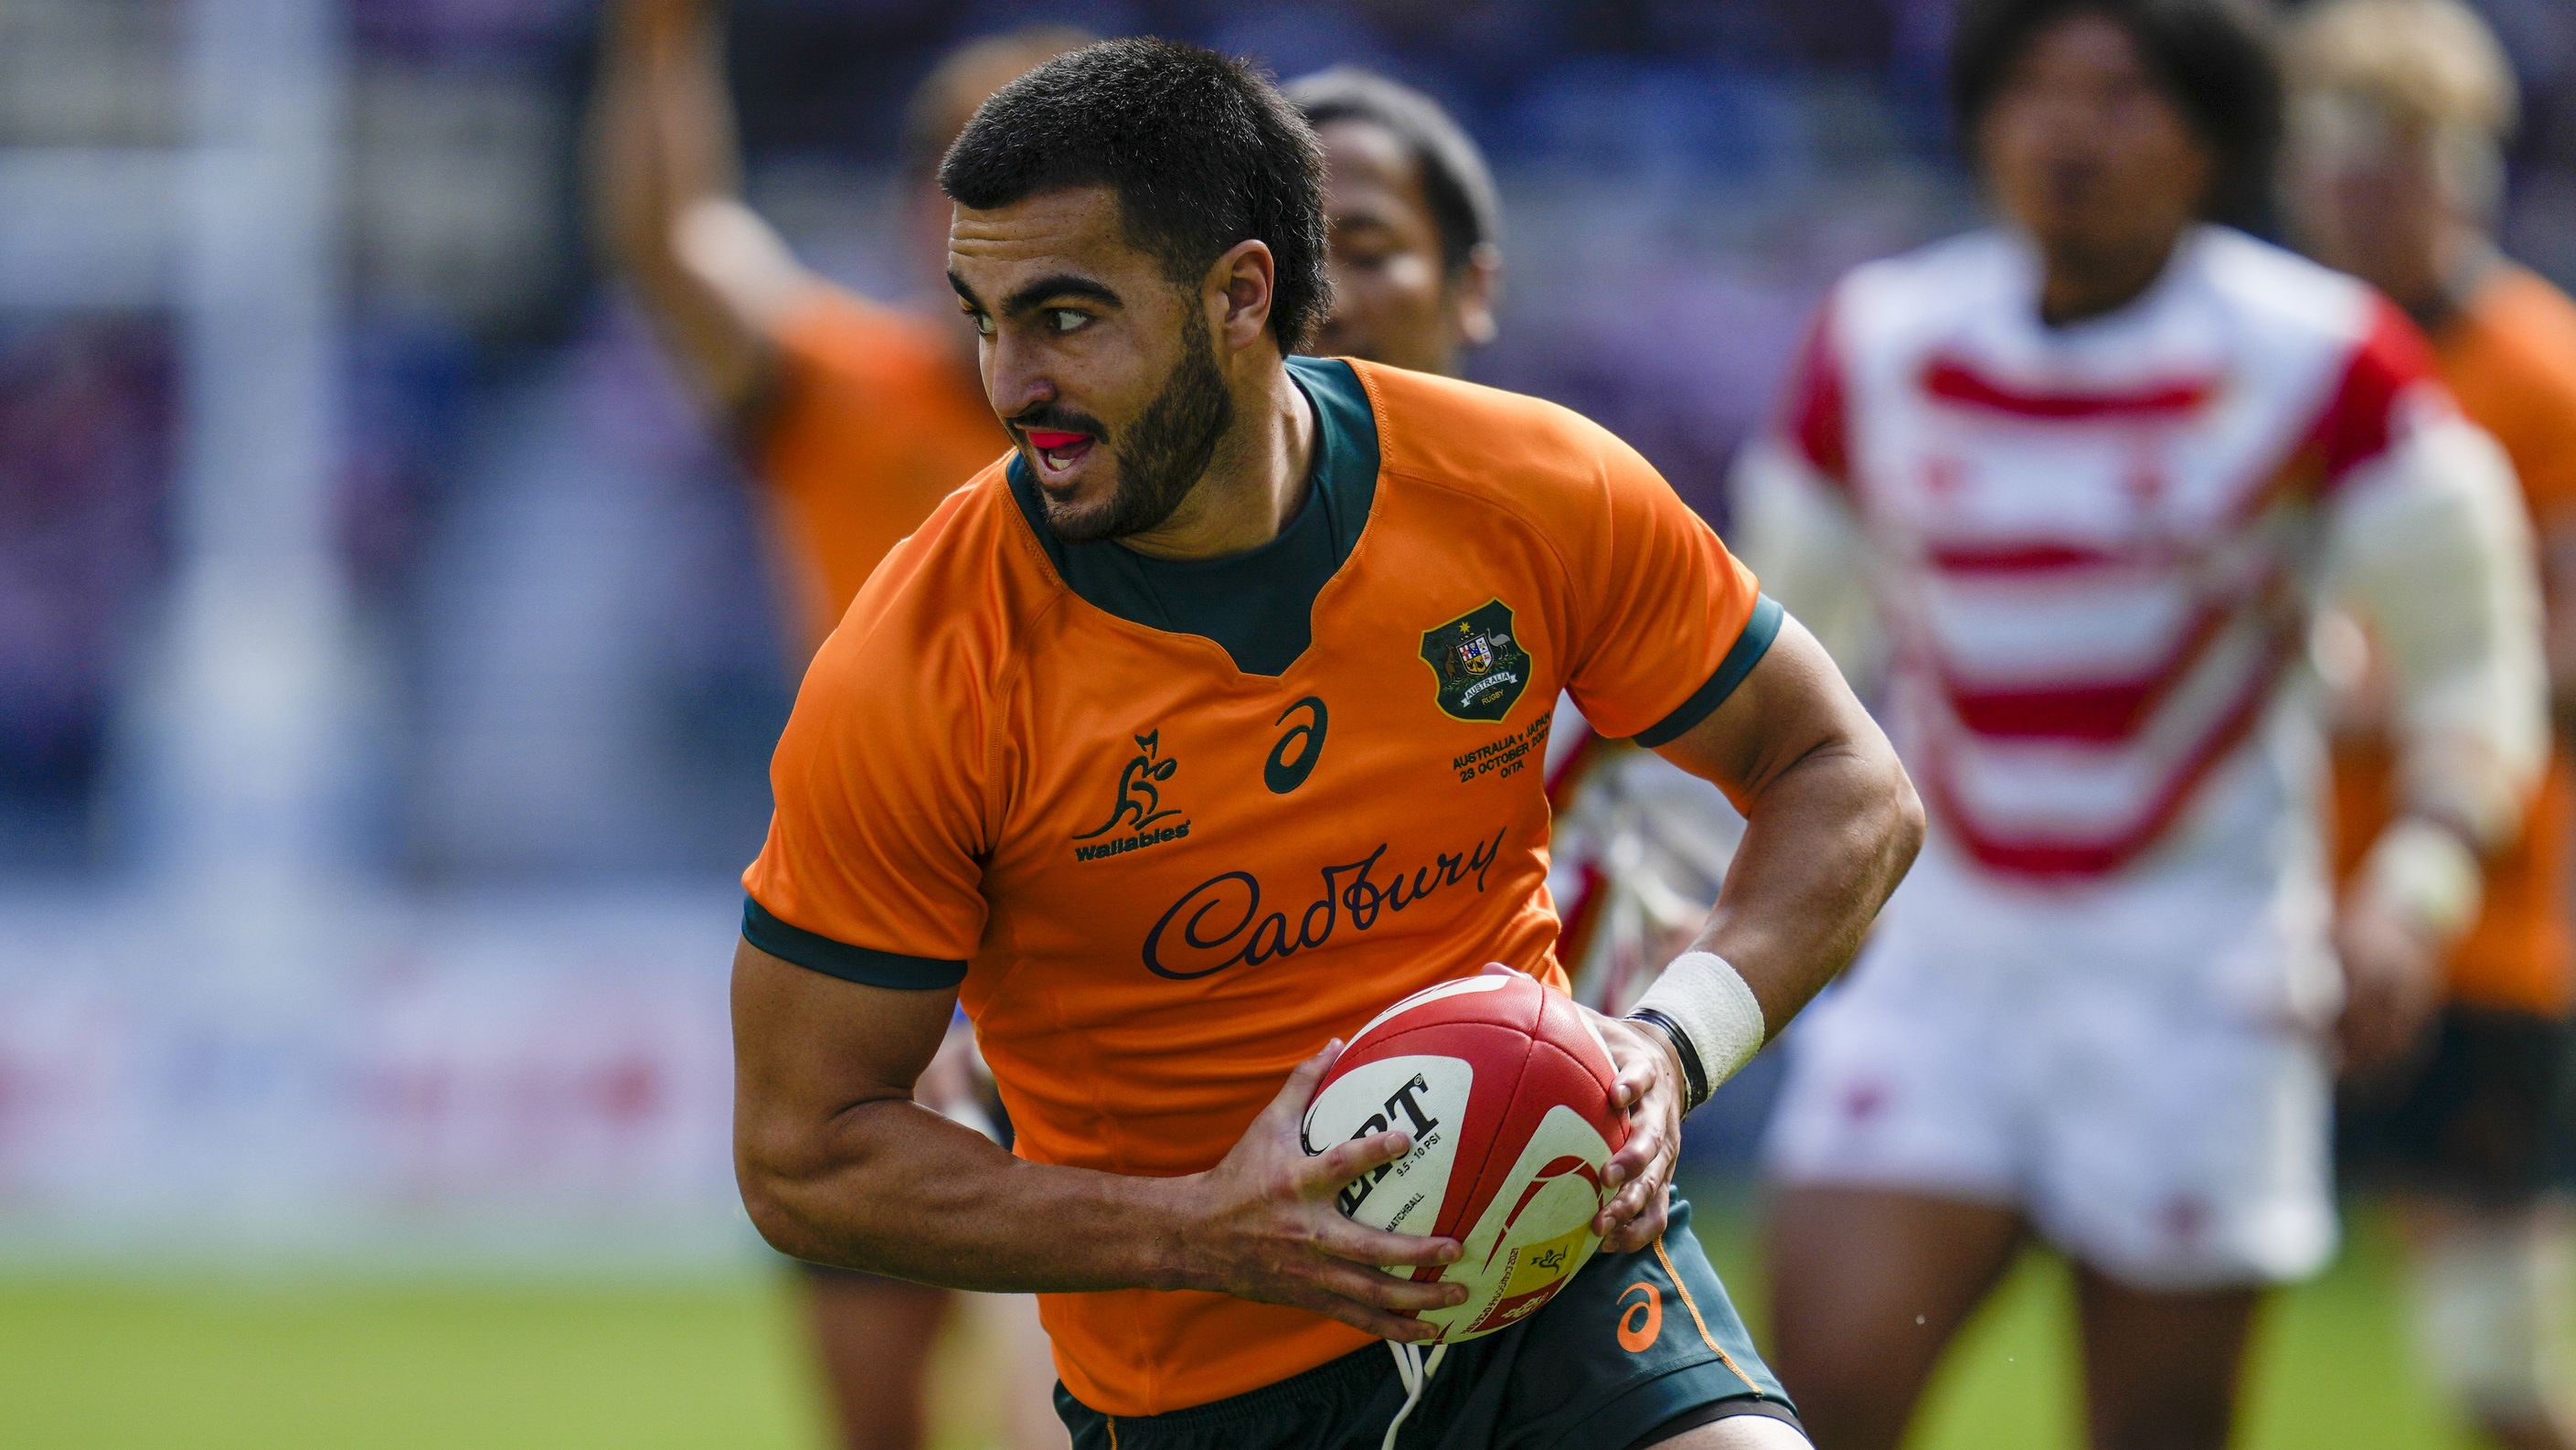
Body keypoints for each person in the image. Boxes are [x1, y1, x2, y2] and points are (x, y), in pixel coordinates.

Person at [730, 37, 1923, 1450]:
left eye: (1065, 316)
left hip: (1556, 1279)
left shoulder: (1528, 484)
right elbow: (803, 1152)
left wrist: (1675, 1044)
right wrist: (1196, 1228)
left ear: (1239, 293)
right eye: (984, 317)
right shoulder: (916, 663)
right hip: (1211, 1390)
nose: (1009, 381)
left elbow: (1844, 776)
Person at [1737, 2, 2549, 1448]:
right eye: (2034, 90)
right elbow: (1750, 665)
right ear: (1980, 120)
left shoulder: (2323, 358)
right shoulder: (1879, 339)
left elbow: (2468, 660)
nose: (2069, 131)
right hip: (1944, 963)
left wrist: (2412, 896)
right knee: (1815, 1398)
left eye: (2120, 95)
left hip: (2198, 977)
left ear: (2209, 135)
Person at [589, 7, 1085, 1448]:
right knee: (870, 1395)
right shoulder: (844, 391)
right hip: (871, 940)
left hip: (1095, 930)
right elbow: (676, 242)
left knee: (1062, 1387)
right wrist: (663, 47)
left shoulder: (1167, 433)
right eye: (957, 177)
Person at [2283, 5, 2576, 1446]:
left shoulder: (2541, 371)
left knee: (2492, 1354)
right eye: (2338, 157)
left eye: (2395, 160)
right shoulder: (2273, 358)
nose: (2361, 191)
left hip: (2474, 919)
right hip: (2255, 907)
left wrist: (2383, 695)